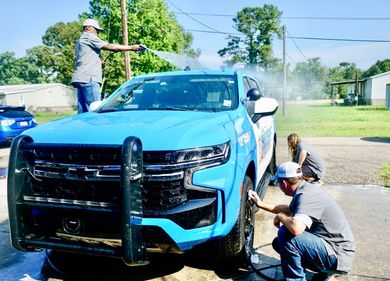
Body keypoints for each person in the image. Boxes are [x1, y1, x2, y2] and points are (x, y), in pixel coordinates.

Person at [249, 162, 354, 281]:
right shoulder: (305, 189)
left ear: (284, 183)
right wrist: (260, 204)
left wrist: (281, 217)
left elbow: (296, 229)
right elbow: (287, 209)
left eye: (278, 183)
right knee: (279, 243)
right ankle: (325, 272)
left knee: (286, 234)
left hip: (337, 256)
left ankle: (297, 278)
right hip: (335, 252)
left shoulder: (306, 196)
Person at [71, 18, 141, 113]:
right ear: (88, 28)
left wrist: (98, 64)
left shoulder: (80, 40)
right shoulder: (88, 36)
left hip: (80, 78)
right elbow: (110, 47)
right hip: (89, 78)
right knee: (94, 109)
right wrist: (131, 47)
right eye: (97, 30)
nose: (98, 34)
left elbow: (84, 58)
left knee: (83, 111)